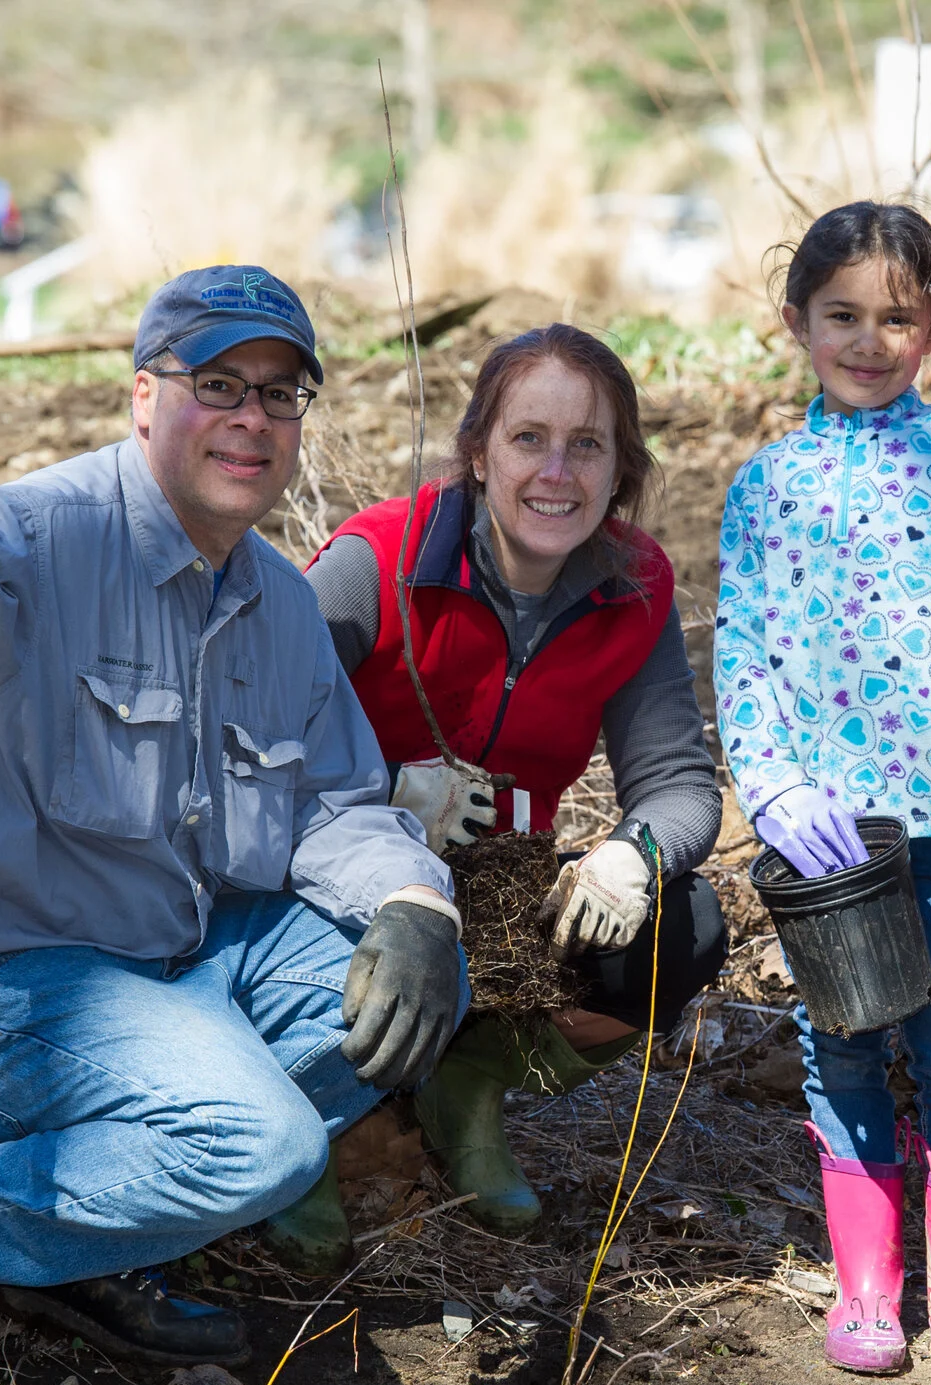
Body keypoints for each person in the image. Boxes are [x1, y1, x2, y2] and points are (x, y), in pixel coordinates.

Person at [0, 262, 468, 1385]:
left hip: (164, 965)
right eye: (219, 383)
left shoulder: (276, 600)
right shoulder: (30, 542)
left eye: (280, 396)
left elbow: (336, 805)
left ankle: (80, 1245)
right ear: (144, 395)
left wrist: (416, 902)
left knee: (394, 992)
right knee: (262, 1148)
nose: (251, 419)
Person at [258, 324, 726, 1273]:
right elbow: (252, 732)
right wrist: (382, 795)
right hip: (337, 879)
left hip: (498, 889)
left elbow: (677, 782)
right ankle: (304, 1121)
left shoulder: (630, 589)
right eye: (528, 438)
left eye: (588, 444)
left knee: (689, 928)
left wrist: (633, 853)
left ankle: (470, 1083)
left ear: (620, 466)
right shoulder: (376, 563)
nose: (557, 471)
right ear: (478, 450)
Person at [714, 203, 931, 1385]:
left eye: (895, 317)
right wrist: (769, 783)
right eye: (842, 317)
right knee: (843, 1047)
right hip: (830, 840)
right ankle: (870, 1285)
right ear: (798, 324)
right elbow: (744, 649)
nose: (868, 341)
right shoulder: (767, 482)